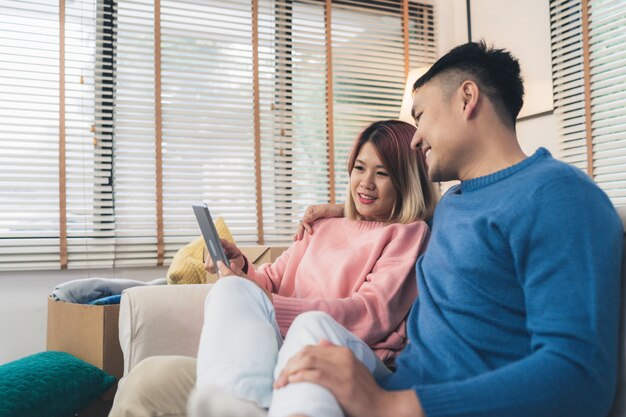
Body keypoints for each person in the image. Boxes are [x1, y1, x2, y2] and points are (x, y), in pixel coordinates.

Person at [274, 41, 623, 417]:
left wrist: (392, 406)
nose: (415, 137)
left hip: (424, 404)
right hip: (395, 385)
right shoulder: (455, 202)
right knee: (313, 332)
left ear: (467, 98)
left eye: (420, 116)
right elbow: (404, 215)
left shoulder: (557, 194)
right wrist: (341, 212)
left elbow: (580, 377)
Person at [108, 119, 438, 417]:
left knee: (310, 323)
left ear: (406, 180)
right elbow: (272, 281)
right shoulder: (323, 227)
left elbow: (370, 314)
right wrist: (241, 268)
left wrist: (268, 304)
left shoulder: (408, 234)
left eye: (381, 173)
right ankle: (240, 405)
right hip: (279, 351)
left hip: (353, 358)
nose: (365, 183)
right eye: (359, 169)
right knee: (226, 291)